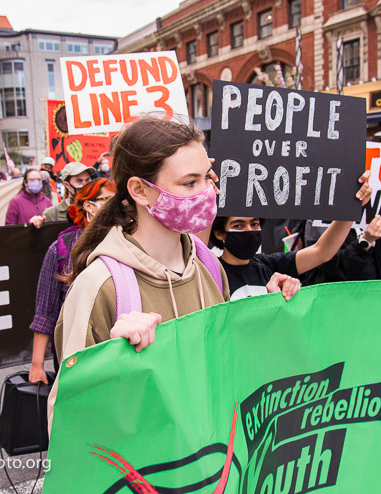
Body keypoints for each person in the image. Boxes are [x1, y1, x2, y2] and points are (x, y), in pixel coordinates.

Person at [48, 118, 313, 429]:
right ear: (140, 191)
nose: (208, 192)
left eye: (208, 178)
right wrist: (112, 363)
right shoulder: (98, 287)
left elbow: (223, 362)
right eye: (190, 182)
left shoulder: (209, 267)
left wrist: (267, 310)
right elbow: (67, 423)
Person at [209, 191, 379, 298]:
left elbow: (322, 252)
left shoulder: (270, 266)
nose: (249, 230)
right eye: (238, 226)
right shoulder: (210, 272)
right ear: (219, 233)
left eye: (254, 224)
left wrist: (350, 210)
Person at [29, 177, 116, 384]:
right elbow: (45, 312)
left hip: (118, 350)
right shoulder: (61, 249)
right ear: (88, 204)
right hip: (73, 353)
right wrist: (36, 365)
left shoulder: (129, 241)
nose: (113, 207)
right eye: (106, 200)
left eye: (117, 200)